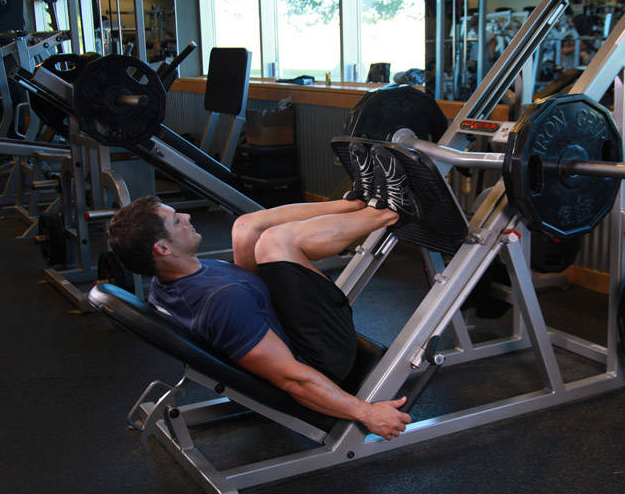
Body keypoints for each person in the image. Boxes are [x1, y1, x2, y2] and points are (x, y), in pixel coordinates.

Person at [106, 143, 419, 440]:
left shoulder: (168, 284)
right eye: (177, 221)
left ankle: (355, 203)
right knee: (275, 241)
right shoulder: (222, 303)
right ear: (162, 248)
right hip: (323, 357)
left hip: (275, 320)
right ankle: (390, 212)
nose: (187, 217)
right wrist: (365, 412)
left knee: (247, 227)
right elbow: (290, 378)